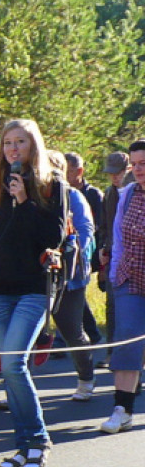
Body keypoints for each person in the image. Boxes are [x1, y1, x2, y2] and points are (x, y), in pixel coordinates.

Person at [0, 119, 65, 467]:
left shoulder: (52, 186)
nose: (13, 149)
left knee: (12, 364)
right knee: (11, 370)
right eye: (8, 142)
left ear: (32, 146)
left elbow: (51, 238)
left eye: (20, 141)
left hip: (33, 290)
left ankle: (38, 441)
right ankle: (25, 447)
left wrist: (24, 200)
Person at [97, 140, 145, 434]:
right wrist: (114, 274)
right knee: (127, 336)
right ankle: (122, 409)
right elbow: (115, 236)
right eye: (135, 164)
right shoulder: (126, 195)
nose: (139, 170)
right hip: (129, 276)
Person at [45, 150, 96, 401]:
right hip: (38, 278)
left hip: (70, 278)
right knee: (28, 335)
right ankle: (18, 388)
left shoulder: (73, 196)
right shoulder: (33, 197)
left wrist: (66, 256)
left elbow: (86, 233)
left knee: (71, 331)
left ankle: (86, 378)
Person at [65, 151, 104, 344]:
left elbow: (97, 224)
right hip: (70, 250)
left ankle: (82, 334)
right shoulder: (61, 194)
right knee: (73, 291)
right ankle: (88, 332)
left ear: (79, 171)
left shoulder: (91, 194)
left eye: (69, 171)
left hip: (88, 248)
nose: (65, 175)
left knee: (76, 289)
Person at [98, 151, 131, 368]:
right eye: (111, 174)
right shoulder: (109, 194)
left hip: (134, 258)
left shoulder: (134, 192)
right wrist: (103, 247)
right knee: (112, 306)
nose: (114, 178)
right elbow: (106, 225)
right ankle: (112, 352)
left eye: (118, 173)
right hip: (113, 256)